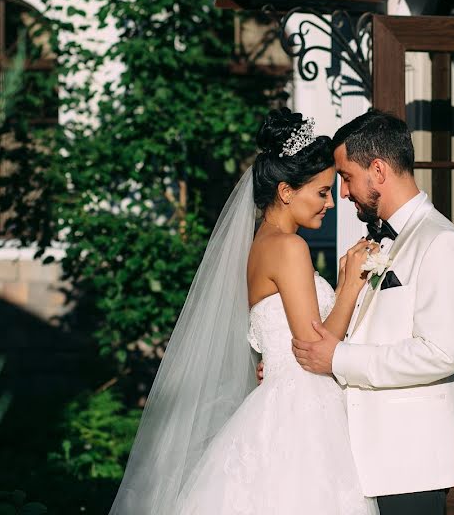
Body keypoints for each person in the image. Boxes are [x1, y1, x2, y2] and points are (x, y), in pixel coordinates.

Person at [109, 108, 380, 514]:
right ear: (286, 191)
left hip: (279, 402)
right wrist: (349, 286)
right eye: (321, 192)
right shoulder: (290, 248)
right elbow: (313, 347)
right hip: (303, 413)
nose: (329, 203)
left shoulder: (259, 245)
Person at [292, 109, 454, 515]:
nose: (342, 193)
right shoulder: (380, 238)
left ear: (377, 170)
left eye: (346, 177)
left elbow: (441, 353)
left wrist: (337, 359)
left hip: (411, 461)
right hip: (368, 458)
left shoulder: (440, 243)